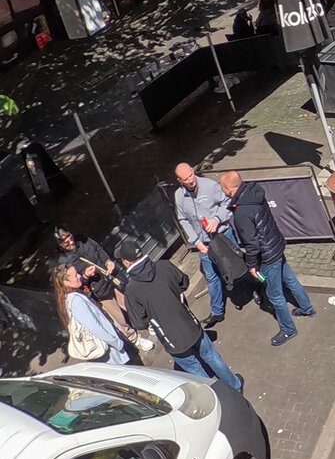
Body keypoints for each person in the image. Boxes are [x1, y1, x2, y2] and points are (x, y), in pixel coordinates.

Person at [118, 239, 243, 392]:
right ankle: (235, 385)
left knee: (196, 371)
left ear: (126, 262)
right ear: (142, 253)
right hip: (190, 324)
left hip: (171, 339)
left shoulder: (131, 291)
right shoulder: (164, 266)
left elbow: (139, 323)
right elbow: (184, 282)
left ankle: (219, 397)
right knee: (211, 355)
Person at [222, 171, 315, 347]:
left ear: (228, 188)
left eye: (222, 187)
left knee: (275, 295)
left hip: (267, 256)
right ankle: (307, 308)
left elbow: (252, 244)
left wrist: (252, 265)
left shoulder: (241, 212)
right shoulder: (254, 192)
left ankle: (288, 329)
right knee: (290, 280)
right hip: (276, 244)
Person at [54, 227, 152, 352]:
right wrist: (85, 276)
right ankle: (134, 338)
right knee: (119, 318)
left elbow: (99, 249)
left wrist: (107, 261)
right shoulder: (64, 262)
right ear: (60, 245)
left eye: (69, 236)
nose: (70, 241)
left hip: (112, 279)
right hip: (99, 290)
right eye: (65, 241)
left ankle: (147, 322)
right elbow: (75, 283)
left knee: (131, 303)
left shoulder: (83, 240)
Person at [172, 163, 237, 328]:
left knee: (237, 265)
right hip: (204, 244)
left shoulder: (210, 186)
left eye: (191, 175)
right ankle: (217, 312)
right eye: (185, 179)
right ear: (180, 180)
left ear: (193, 171)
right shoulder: (179, 196)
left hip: (222, 236)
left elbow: (228, 203)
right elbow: (183, 219)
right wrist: (196, 242)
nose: (190, 181)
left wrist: (216, 220)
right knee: (211, 276)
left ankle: (256, 290)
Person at [52, 263, 130, 365]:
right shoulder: (76, 301)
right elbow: (95, 327)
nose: (79, 276)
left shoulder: (69, 296)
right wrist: (117, 343)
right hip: (109, 350)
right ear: (66, 283)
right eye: (75, 275)